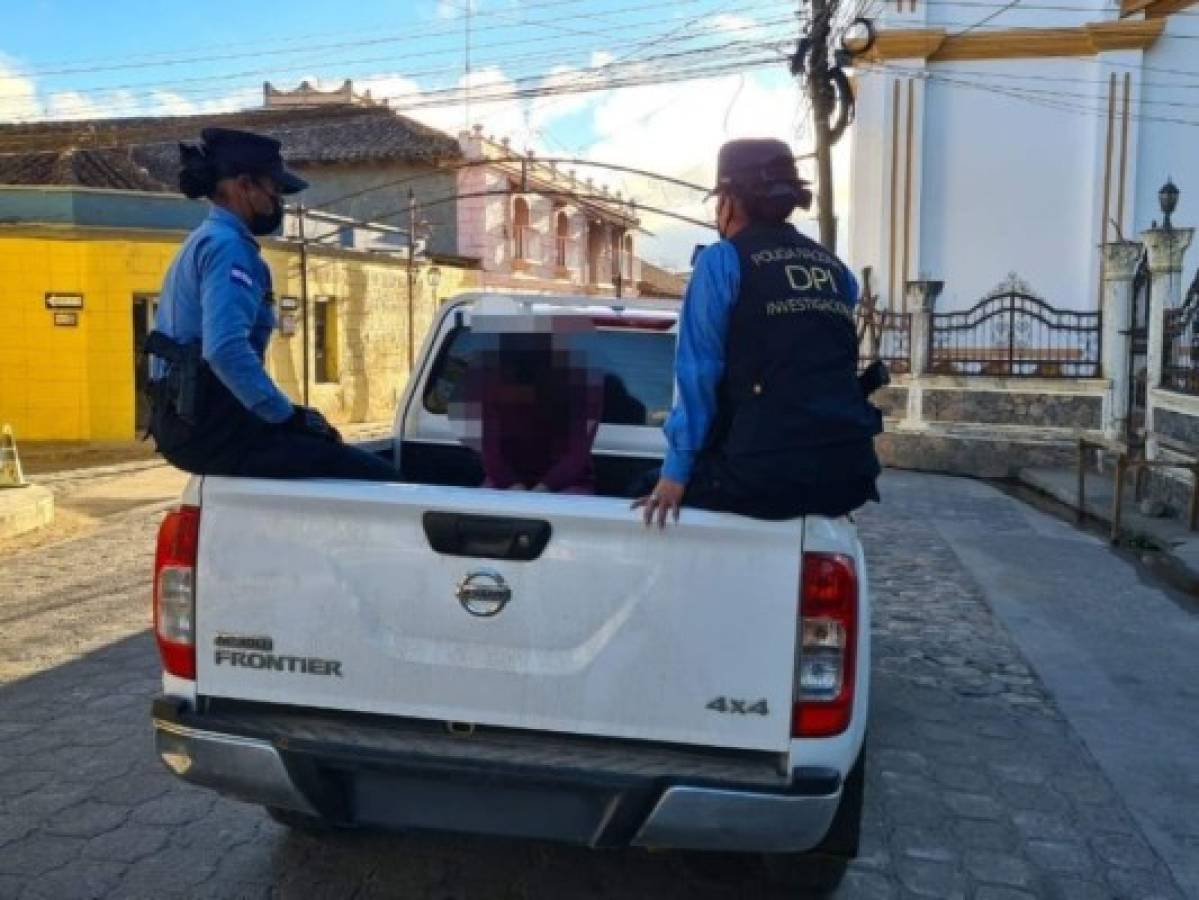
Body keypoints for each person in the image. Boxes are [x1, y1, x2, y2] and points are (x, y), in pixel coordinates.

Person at [635, 138, 882, 527]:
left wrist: (675, 472)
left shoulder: (723, 261)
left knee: (635, 491)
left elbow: (698, 374)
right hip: (848, 473)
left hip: (763, 475)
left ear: (729, 201)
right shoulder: (834, 268)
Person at [146, 128, 396, 481]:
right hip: (213, 428)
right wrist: (287, 416)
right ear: (243, 185)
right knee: (384, 482)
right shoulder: (229, 248)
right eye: (275, 191)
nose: (279, 203)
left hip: (189, 421)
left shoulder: (204, 240)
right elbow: (225, 349)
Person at [472, 330, 602, 494]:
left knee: (569, 508)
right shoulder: (492, 382)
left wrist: (541, 492)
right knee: (483, 508)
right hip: (504, 481)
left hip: (569, 483)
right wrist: (514, 487)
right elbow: (490, 452)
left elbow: (577, 455)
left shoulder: (585, 386)